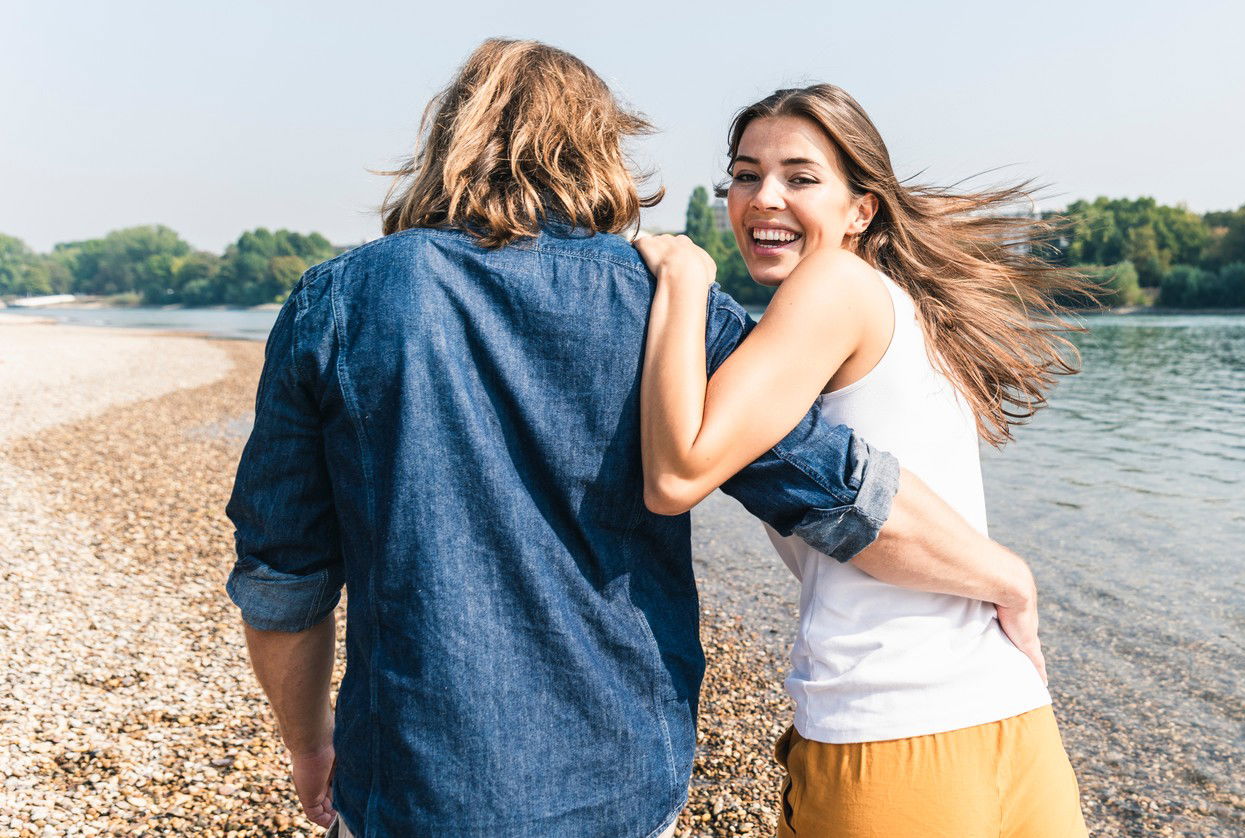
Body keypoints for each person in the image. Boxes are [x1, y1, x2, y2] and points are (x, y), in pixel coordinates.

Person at [225, 41, 1046, 838]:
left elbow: (283, 575)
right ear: (598, 149)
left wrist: (310, 744)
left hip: (415, 779)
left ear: (450, 141)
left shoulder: (338, 302)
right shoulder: (658, 299)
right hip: (620, 776)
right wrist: (1003, 576)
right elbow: (835, 489)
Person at [633, 84, 1092, 838]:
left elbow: (676, 475)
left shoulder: (835, 284)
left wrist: (684, 281)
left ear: (860, 210)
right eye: (745, 175)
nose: (762, 198)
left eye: (800, 177)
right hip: (1011, 721)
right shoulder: (899, 307)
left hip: (891, 734)